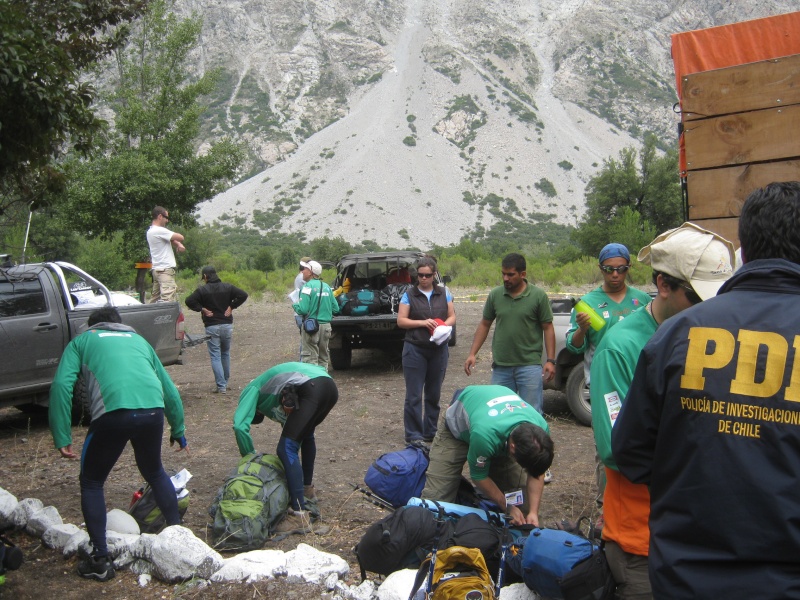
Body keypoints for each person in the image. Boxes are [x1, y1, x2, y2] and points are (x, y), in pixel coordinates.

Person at [612, 183, 800, 599]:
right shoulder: (652, 336)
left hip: (687, 575)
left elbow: (630, 451)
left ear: (744, 252)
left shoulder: (679, 333)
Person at [591, 223, 734, 599]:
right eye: (699, 297)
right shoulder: (621, 348)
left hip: (704, 535)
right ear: (664, 285)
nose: (711, 307)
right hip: (645, 540)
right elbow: (616, 449)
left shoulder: (717, 338)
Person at [48, 306, 188, 582]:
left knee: (92, 481)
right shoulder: (139, 342)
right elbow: (168, 387)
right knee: (154, 471)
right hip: (152, 412)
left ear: (92, 326)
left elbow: (62, 385)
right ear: (119, 324)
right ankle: (179, 539)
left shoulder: (82, 342)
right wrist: (179, 428)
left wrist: (61, 434)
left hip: (113, 414)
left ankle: (100, 560)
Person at [566, 243, 651, 512]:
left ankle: (640, 499)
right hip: (604, 387)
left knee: (644, 439)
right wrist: (580, 330)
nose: (615, 275)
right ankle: (606, 505)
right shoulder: (588, 303)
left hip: (640, 383)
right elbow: (574, 346)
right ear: (600, 269)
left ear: (628, 268)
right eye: (609, 270)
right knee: (609, 443)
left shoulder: (642, 301)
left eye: (621, 269)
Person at [463, 253, 555, 480]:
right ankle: (499, 464)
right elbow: (485, 324)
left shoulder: (538, 296)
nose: (506, 278)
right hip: (501, 367)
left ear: (523, 274)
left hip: (529, 366)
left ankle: (540, 465)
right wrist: (473, 353)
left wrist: (551, 360)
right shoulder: (495, 295)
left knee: (533, 415)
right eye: (503, 273)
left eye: (510, 274)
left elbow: (548, 328)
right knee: (496, 415)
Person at [421, 385, 554, 526]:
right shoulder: (485, 435)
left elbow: (536, 472)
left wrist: (533, 511)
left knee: (522, 506)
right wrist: (507, 506)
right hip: (458, 431)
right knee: (435, 504)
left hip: (495, 432)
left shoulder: (540, 431)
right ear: (513, 448)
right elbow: (479, 476)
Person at [233, 362, 338, 534]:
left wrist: (249, 458)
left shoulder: (251, 389)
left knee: (285, 448)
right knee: (305, 435)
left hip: (312, 387)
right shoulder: (277, 391)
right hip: (328, 387)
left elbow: (239, 426)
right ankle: (306, 491)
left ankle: (299, 515)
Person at [397, 256, 456, 446]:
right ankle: (414, 435)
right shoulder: (409, 294)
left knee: (434, 393)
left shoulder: (444, 292)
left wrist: (443, 326)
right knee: (414, 394)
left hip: (438, 350)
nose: (423, 279)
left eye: (427, 275)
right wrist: (423, 323)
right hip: (415, 349)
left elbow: (452, 315)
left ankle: (430, 431)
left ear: (434, 275)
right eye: (420, 275)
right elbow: (401, 321)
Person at [185, 265, 249, 394]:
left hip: (212, 326)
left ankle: (221, 387)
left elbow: (189, 301)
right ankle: (225, 381)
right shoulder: (228, 287)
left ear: (205, 277)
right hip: (227, 325)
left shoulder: (202, 290)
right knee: (225, 353)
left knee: (215, 356)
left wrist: (202, 309)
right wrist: (232, 306)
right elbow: (243, 294)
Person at [293, 260, 339, 370]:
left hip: (312, 327)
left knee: (310, 359)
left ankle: (313, 383)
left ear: (311, 272)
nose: (302, 272)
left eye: (305, 269)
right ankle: (324, 382)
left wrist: (295, 305)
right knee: (323, 358)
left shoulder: (307, 287)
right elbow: (336, 308)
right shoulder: (327, 287)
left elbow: (303, 310)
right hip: (326, 327)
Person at [146, 206, 185, 303]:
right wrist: (179, 242)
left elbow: (168, 239)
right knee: (168, 300)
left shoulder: (151, 231)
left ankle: (150, 317)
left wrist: (177, 244)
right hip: (165, 271)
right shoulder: (159, 230)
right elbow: (181, 237)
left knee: (155, 301)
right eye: (166, 217)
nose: (167, 220)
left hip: (157, 269)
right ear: (160, 216)